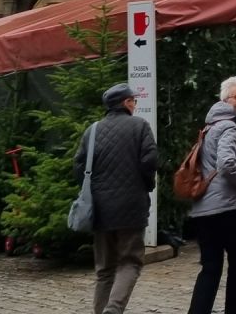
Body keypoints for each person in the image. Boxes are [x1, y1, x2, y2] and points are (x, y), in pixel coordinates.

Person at [74, 82, 160, 314]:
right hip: (132, 207)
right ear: (126, 103)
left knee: (104, 268)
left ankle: (102, 310)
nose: (135, 104)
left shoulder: (92, 131)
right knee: (130, 261)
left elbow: (79, 167)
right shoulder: (140, 126)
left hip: (100, 210)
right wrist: (146, 186)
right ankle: (112, 309)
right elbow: (150, 160)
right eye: (134, 100)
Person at [187, 77, 236, 314]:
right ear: (225, 100)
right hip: (228, 208)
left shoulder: (210, 126)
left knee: (210, 267)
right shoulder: (228, 126)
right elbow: (226, 164)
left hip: (204, 209)